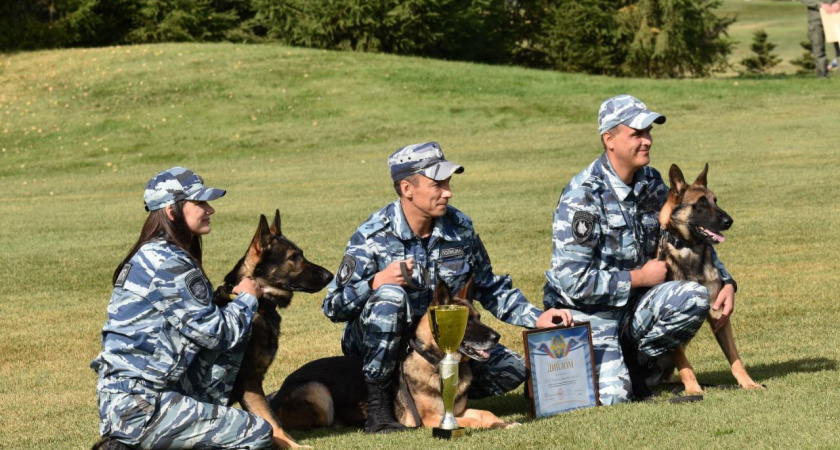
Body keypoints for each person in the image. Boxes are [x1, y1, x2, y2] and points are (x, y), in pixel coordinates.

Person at [322, 142, 573, 433]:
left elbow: (489, 285)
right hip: (382, 346)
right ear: (407, 188)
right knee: (389, 297)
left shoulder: (459, 227)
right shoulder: (373, 235)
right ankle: (379, 407)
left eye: (448, 183)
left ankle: (441, 400)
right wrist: (375, 282)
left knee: (512, 369)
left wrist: (536, 317)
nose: (448, 192)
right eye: (437, 184)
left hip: (443, 347)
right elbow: (333, 306)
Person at [542, 95, 737, 405]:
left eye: (648, 132)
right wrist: (638, 277)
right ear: (610, 140)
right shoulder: (583, 197)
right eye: (637, 133)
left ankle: (638, 363)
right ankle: (595, 369)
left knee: (694, 297)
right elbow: (572, 282)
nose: (647, 140)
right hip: (590, 314)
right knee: (614, 398)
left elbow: (687, 234)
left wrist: (725, 281)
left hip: (636, 308)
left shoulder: (651, 181)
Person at [90, 167, 277, 449]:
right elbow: (218, 334)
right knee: (257, 433)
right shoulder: (169, 263)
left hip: (137, 398)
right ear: (170, 211)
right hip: (142, 406)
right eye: (199, 203)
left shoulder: (158, 253)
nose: (210, 209)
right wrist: (248, 299)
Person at [802, 0, 840, 77]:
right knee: (818, 47)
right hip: (816, 19)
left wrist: (838, 3)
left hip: (836, 15)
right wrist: (820, 4)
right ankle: (822, 74)